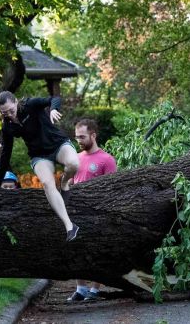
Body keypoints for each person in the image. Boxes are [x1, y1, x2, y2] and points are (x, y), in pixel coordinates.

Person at [0, 91, 80, 241]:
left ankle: (65, 182)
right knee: (47, 183)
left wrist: (53, 109)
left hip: (58, 144)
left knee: (73, 164)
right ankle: (70, 226)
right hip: (39, 155)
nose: (10, 115)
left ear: (15, 102)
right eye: (4, 113)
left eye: (11, 110)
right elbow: (5, 154)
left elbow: (54, 99)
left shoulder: (30, 105)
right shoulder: (7, 126)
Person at [67, 118, 117, 302]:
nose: (78, 140)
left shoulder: (107, 160)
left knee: (98, 252)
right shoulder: (75, 158)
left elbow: (113, 189)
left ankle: (95, 291)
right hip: (77, 213)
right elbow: (70, 184)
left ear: (93, 135)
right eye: (76, 137)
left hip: (98, 214)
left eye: (82, 137)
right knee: (77, 250)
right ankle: (80, 289)